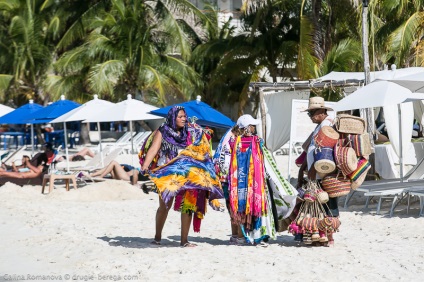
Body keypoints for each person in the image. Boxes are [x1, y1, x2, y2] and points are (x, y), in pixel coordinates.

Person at [139, 106, 223, 247]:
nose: (184, 119)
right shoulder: (163, 131)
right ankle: (157, 236)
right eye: (180, 117)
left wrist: (205, 133)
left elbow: (200, 142)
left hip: (187, 172)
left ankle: (184, 241)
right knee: (165, 205)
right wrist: (145, 165)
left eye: (185, 116)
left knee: (188, 205)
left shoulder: (190, 131)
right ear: (173, 118)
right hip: (168, 172)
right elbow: (154, 148)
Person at [226, 114, 277, 246]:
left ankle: (240, 236)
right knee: (254, 206)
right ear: (247, 127)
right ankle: (255, 235)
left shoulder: (234, 142)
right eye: (253, 125)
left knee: (240, 206)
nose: (255, 128)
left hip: (238, 181)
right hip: (254, 182)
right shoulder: (258, 141)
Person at [297, 96, 337, 246]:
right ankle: (321, 236)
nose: (310, 117)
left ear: (321, 111)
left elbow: (325, 150)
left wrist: (313, 169)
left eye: (311, 113)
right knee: (317, 205)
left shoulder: (327, 125)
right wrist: (303, 169)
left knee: (326, 203)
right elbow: (312, 149)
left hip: (324, 172)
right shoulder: (320, 125)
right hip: (316, 172)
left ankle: (330, 237)